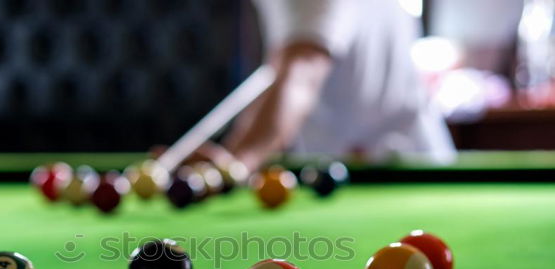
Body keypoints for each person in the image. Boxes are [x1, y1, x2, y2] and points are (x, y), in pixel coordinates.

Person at [172, 0, 457, 172]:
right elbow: (284, 74)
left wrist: (237, 164)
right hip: (358, 169)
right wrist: (233, 154)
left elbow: (302, 72)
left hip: (386, 174)